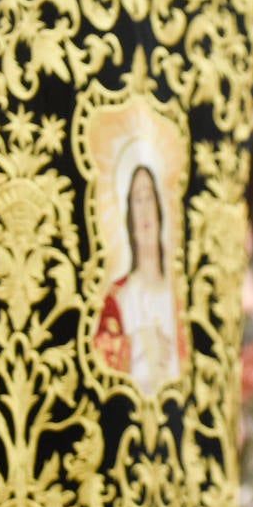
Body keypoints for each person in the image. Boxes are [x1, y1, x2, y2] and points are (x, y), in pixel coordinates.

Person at [94, 162, 184, 393]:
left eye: (150, 198)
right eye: (137, 200)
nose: (145, 211)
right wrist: (139, 345)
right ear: (129, 216)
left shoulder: (180, 296)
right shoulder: (118, 296)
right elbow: (97, 355)